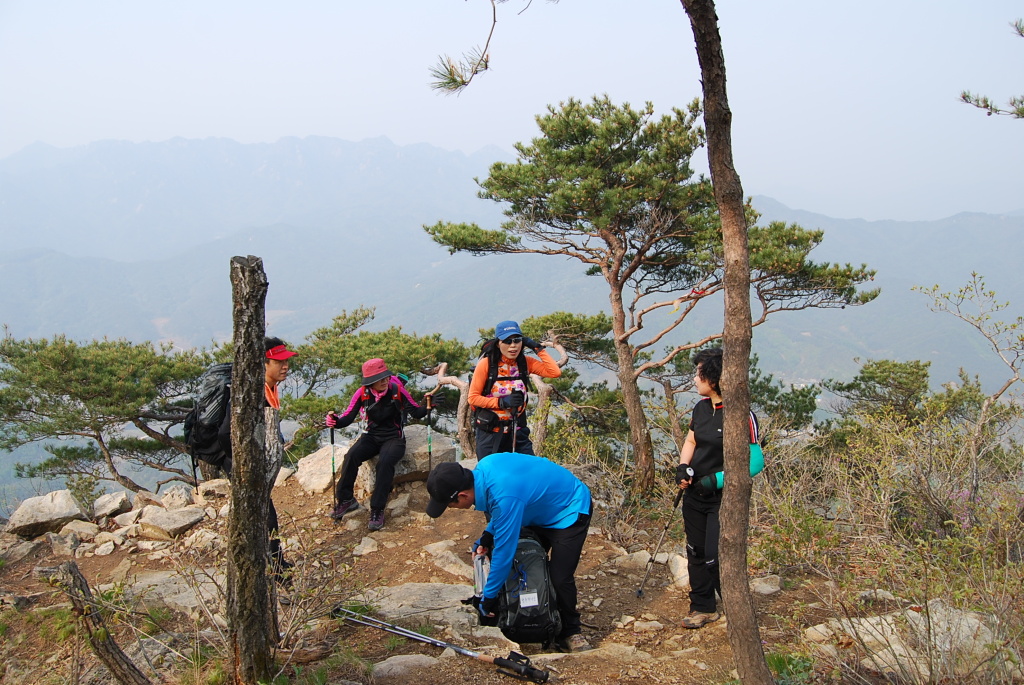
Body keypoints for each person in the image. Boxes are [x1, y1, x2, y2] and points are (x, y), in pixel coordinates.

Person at [424, 454, 594, 653]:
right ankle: (541, 614)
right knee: (529, 567)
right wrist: (488, 535)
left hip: (569, 510)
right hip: (537, 509)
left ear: (463, 496)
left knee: (559, 577)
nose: (452, 509)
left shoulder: (504, 495)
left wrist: (488, 598)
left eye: (450, 505)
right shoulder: (485, 467)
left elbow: (504, 553)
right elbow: (505, 505)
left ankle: (571, 632)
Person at [674, 347, 761, 629]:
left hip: (722, 499)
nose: (694, 379)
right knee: (695, 551)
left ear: (714, 377)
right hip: (694, 494)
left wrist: (718, 479)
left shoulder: (740, 413)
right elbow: (691, 441)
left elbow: (756, 461)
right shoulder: (700, 408)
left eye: (699, 373)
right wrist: (683, 467)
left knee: (716, 556)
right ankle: (703, 607)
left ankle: (738, 613)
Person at [216, 335, 297, 585]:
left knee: (263, 513)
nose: (285, 366)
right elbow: (223, 434)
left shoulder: (269, 388)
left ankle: (275, 563)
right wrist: (243, 464)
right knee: (266, 515)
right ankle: (276, 571)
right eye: (278, 361)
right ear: (262, 364)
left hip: (251, 462)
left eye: (286, 361)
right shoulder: (249, 394)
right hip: (239, 463)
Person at [326, 358, 430, 530]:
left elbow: (416, 412)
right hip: (372, 436)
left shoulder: (397, 390)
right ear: (370, 382)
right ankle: (346, 500)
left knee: (385, 462)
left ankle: (377, 509)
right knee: (351, 456)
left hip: (394, 437)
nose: (384, 380)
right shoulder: (362, 393)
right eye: (379, 379)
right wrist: (335, 421)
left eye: (386, 376)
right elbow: (347, 418)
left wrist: (428, 405)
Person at [468, 320, 561, 459]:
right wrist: (501, 402)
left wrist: (537, 348)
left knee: (529, 471)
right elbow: (473, 398)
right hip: (491, 432)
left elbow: (554, 372)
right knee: (492, 475)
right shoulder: (487, 364)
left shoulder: (525, 362)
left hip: (517, 431)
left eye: (517, 340)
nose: (513, 345)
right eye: (507, 341)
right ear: (498, 343)